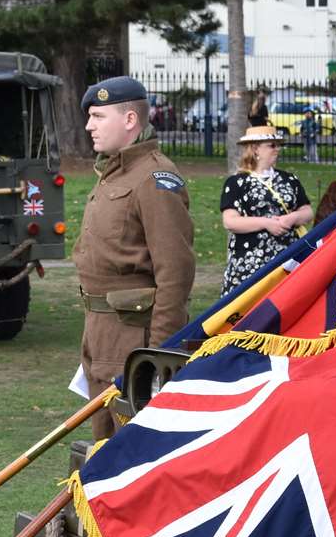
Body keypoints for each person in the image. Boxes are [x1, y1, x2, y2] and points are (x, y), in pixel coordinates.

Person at [73, 75, 196, 441]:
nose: (88, 126)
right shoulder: (113, 172)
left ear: (130, 120)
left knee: (129, 449)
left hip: (133, 339)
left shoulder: (154, 178)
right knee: (102, 443)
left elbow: (175, 270)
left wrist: (159, 352)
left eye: (98, 116)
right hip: (100, 331)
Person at [220, 124, 312, 295]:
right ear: (255, 149)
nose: (277, 149)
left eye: (278, 145)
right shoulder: (237, 182)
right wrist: (266, 223)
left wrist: (292, 218)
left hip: (288, 261)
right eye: (272, 145)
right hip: (250, 264)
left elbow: (307, 211)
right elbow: (230, 221)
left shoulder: (289, 179)